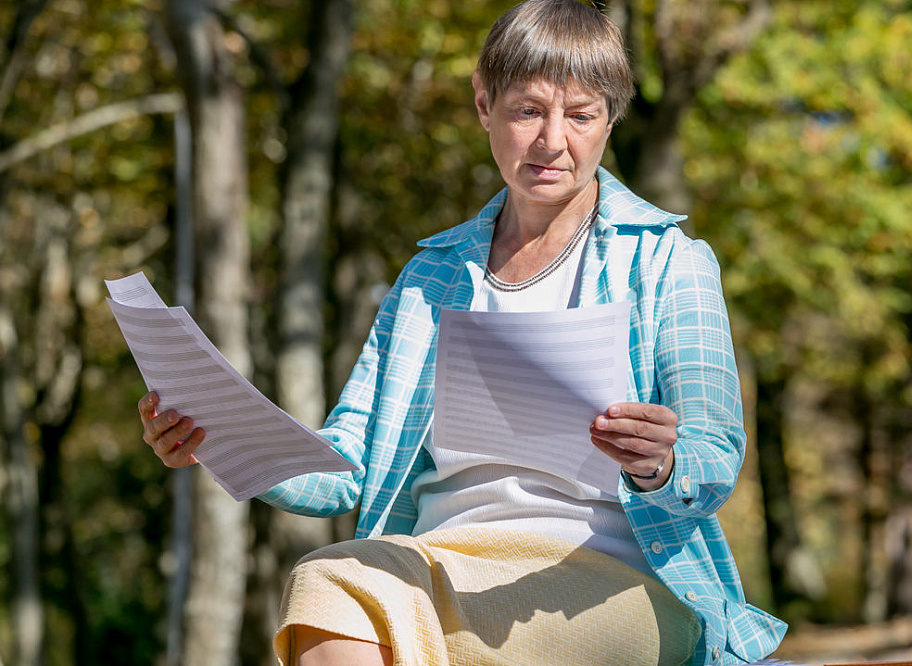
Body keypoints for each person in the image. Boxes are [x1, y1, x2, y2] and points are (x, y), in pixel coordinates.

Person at [139, 0, 786, 663]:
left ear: (611, 118)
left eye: (582, 116)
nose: (552, 141)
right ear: (484, 104)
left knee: (357, 594)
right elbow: (348, 471)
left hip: (614, 582)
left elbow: (715, 454)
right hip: (440, 562)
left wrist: (662, 462)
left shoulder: (668, 260)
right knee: (325, 581)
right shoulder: (431, 277)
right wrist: (224, 437)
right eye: (527, 111)